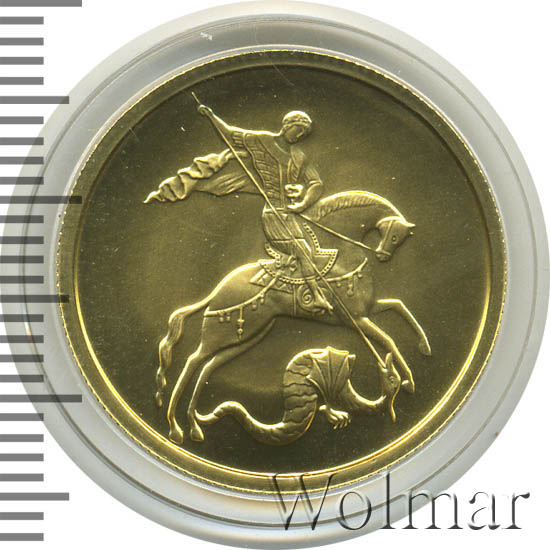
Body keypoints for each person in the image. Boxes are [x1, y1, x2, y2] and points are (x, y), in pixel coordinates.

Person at [197, 105, 333, 314]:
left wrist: (303, 202)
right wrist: (211, 116)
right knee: (304, 251)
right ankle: (316, 297)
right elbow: (231, 135)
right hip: (273, 214)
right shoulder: (261, 141)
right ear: (286, 126)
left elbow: (316, 184)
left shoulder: (299, 156)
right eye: (298, 130)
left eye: (304, 134)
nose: (299, 136)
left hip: (291, 214)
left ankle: (298, 290)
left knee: (311, 250)